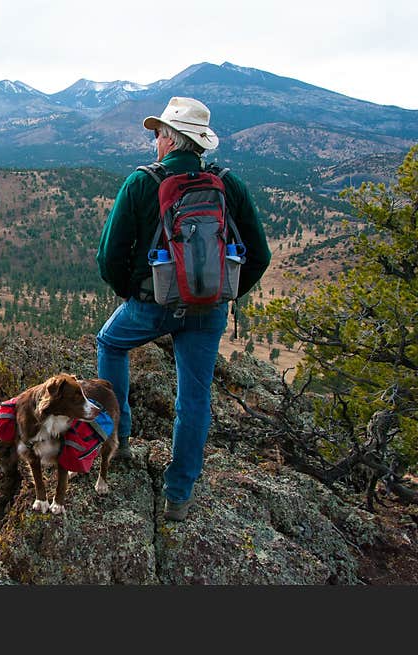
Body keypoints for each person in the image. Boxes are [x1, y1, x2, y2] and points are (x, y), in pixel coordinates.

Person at [95, 97, 271, 521]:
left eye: (157, 134)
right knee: (194, 397)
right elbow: (260, 255)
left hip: (151, 304)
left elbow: (109, 257)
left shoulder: (142, 182)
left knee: (110, 344)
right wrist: (221, 295)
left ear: (170, 138)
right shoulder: (227, 183)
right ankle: (179, 494)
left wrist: (134, 293)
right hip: (208, 310)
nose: (154, 140)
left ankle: (118, 438)